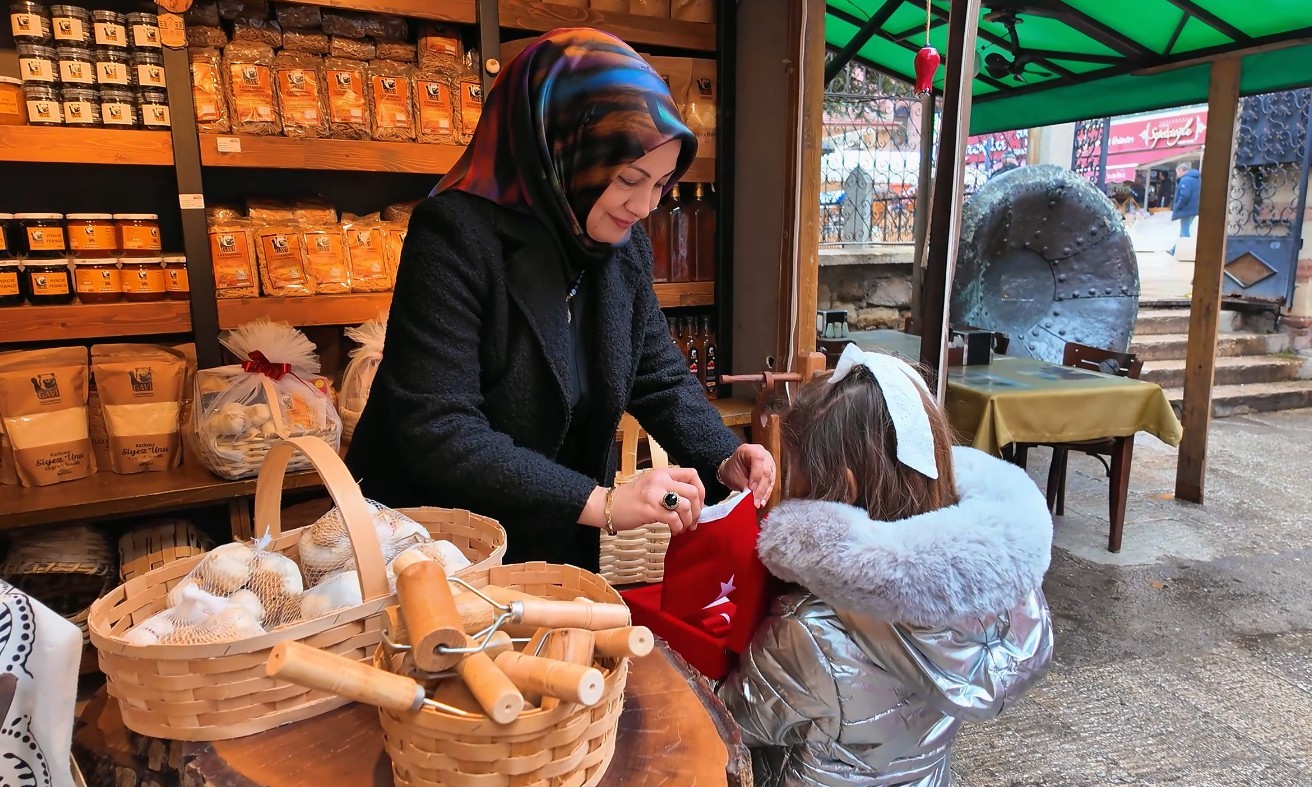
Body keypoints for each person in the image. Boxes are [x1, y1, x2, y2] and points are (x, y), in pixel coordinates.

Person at [344, 29, 775, 571]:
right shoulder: (454, 235)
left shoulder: (620, 246)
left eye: (661, 184)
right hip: (433, 546)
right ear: (562, 149)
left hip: (548, 539)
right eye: (629, 179)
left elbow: (657, 376)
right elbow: (440, 426)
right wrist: (602, 502)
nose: (644, 206)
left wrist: (723, 454)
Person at [719, 344, 1054, 787]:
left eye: (793, 465)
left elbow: (732, 720)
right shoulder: (991, 587)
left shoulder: (809, 631)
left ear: (844, 487)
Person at [1170, 162, 1200, 255]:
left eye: (1177, 172)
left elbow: (1184, 195)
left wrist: (1178, 206)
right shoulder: (1197, 179)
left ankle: (1186, 252)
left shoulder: (1185, 180)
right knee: (1184, 230)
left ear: (1181, 170)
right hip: (1194, 208)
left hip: (1186, 209)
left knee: (1185, 231)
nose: (1177, 175)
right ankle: (1174, 250)